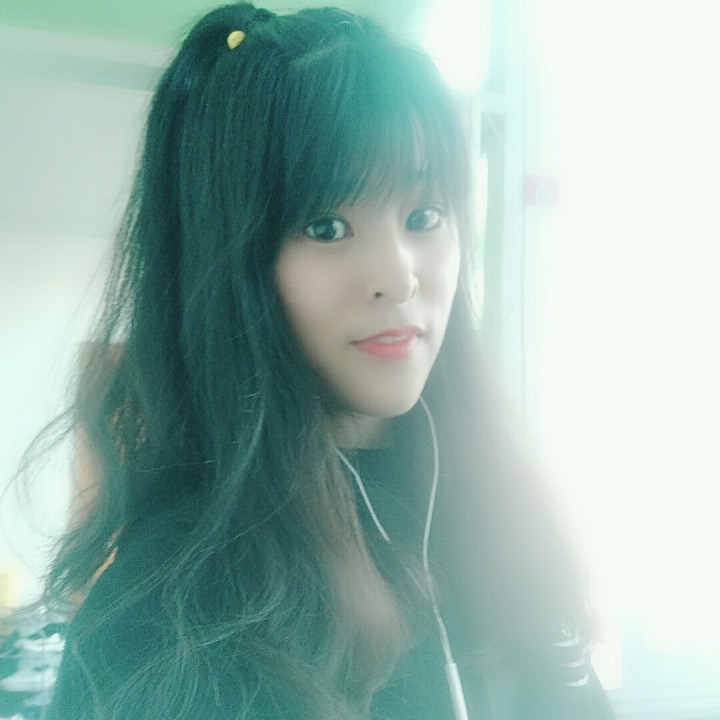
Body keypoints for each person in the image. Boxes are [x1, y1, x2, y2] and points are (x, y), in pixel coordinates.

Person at [23, 3, 615, 719]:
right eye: (327, 226)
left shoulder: (488, 509)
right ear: (227, 266)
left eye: (424, 216)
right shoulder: (168, 624)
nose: (399, 275)